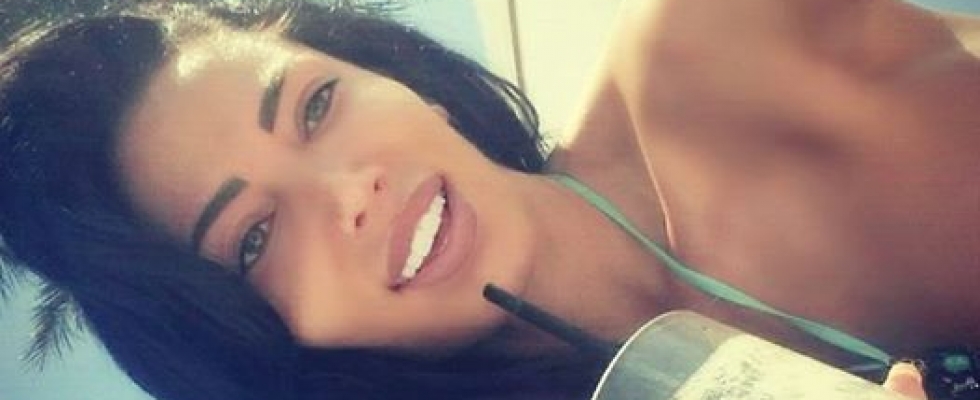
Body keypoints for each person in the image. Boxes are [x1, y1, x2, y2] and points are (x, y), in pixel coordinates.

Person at [0, 0, 975, 399]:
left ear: (395, 75)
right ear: (259, 339)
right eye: (255, 236)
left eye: (315, 105)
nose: (349, 191)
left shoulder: (729, 52)